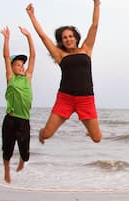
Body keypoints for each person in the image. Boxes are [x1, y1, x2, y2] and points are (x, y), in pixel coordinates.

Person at [25, 0, 102, 144]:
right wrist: (32, 16)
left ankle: (87, 125)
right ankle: (42, 133)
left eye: (70, 36)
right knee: (47, 135)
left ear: (76, 37)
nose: (68, 39)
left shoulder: (86, 49)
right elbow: (43, 36)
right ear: (62, 40)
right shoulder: (59, 54)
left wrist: (96, 5)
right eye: (65, 37)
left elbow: (94, 26)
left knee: (97, 138)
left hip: (86, 99)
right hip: (65, 98)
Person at [0, 26, 35, 183]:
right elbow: (6, 56)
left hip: (24, 120)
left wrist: (28, 36)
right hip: (11, 119)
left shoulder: (27, 77)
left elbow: (33, 56)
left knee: (25, 152)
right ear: (12, 68)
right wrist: (7, 39)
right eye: (18, 65)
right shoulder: (11, 78)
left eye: (22, 65)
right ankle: (7, 170)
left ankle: (22, 160)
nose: (21, 67)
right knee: (7, 149)